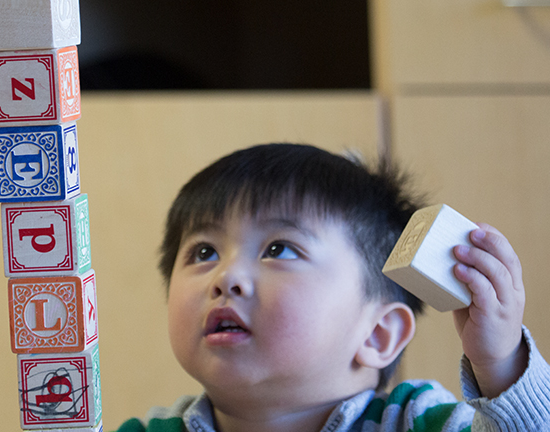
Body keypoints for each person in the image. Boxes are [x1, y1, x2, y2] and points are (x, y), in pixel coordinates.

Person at [114, 143, 550, 432]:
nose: (225, 278)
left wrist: (501, 363)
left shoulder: (415, 421)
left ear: (378, 335)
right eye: (204, 253)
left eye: (279, 249)